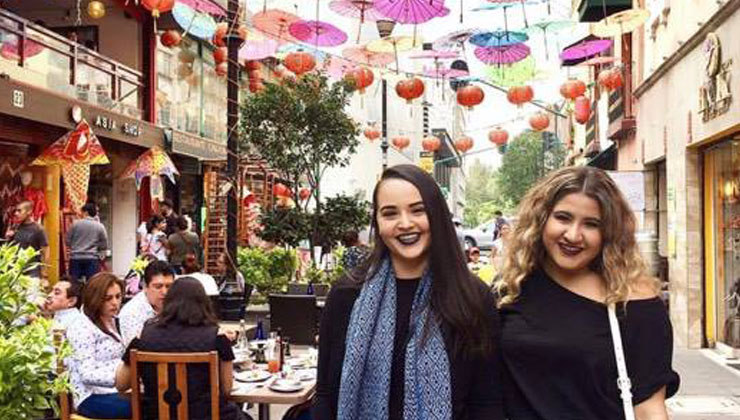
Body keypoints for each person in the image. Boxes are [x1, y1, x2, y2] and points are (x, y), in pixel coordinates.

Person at [313, 164, 503, 420]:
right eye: (390, 214)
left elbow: (486, 402)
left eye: (418, 210)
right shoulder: (346, 294)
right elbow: (325, 393)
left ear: (437, 216)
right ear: (377, 223)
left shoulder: (472, 297)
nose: (405, 224)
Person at [496, 166, 680, 420]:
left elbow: (649, 409)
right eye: (563, 217)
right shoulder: (511, 287)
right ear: (541, 219)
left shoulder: (634, 301)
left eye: (591, 224)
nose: (573, 235)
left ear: (609, 232)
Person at [116, 277, 249, 419]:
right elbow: (227, 389)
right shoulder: (217, 337)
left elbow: (121, 384)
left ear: (168, 302)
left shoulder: (144, 335)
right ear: (204, 303)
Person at [65, 273, 131, 419]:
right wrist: (119, 379)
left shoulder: (114, 320)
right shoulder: (81, 327)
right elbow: (86, 373)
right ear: (95, 299)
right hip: (90, 396)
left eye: (118, 297)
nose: (115, 302)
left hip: (116, 391)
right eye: (108, 298)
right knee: (144, 407)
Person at [119, 260, 175, 346]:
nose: (164, 292)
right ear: (145, 286)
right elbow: (134, 350)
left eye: (169, 286)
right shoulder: (131, 313)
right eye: (158, 287)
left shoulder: (178, 304)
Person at [5, 200, 48, 278]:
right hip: (16, 271)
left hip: (32, 271)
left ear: (29, 212)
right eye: (16, 211)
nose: (16, 213)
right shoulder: (15, 227)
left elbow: (45, 251)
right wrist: (8, 238)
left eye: (19, 211)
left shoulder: (38, 229)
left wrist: (44, 272)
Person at [66, 202, 108, 282]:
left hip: (75, 258)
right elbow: (104, 244)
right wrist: (100, 255)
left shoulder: (75, 224)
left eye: (82, 212)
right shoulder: (99, 226)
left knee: (74, 283)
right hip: (92, 258)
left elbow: (67, 241)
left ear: (86, 212)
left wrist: (74, 247)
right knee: (92, 283)